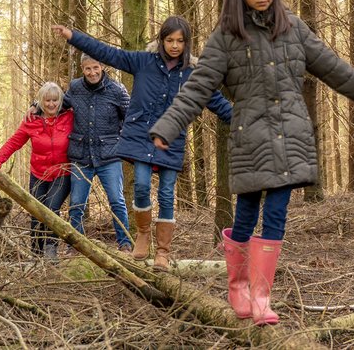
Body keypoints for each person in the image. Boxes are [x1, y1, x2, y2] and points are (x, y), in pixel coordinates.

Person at [147, 0, 354, 325]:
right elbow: (196, 90)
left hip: (292, 138)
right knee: (246, 214)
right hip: (251, 141)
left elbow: (334, 68)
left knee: (277, 213)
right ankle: (238, 285)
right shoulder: (226, 38)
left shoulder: (293, 28)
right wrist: (167, 126)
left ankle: (262, 297)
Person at [52, 16, 233, 270]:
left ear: (187, 43)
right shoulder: (143, 61)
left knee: (167, 193)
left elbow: (218, 103)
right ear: (161, 40)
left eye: (180, 41)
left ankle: (163, 252)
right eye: (169, 40)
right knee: (141, 184)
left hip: (171, 139)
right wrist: (74, 36)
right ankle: (143, 234)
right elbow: (107, 52)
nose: (174, 46)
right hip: (141, 137)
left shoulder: (193, 74)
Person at [61, 54, 133, 252]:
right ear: (82, 70)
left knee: (117, 201)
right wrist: (37, 106)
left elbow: (131, 118)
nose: (92, 72)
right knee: (76, 204)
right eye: (87, 69)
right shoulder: (75, 87)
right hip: (81, 156)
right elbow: (59, 105)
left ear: (102, 67)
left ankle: (125, 243)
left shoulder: (117, 90)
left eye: (95, 68)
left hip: (109, 155)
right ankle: (75, 245)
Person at [0, 82, 74, 260]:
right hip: (38, 173)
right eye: (47, 100)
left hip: (62, 172)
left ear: (60, 101)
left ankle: (51, 249)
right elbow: (13, 142)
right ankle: (36, 253)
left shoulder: (69, 116)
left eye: (55, 100)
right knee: (36, 211)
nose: (51, 104)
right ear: (41, 101)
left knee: (51, 208)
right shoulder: (32, 121)